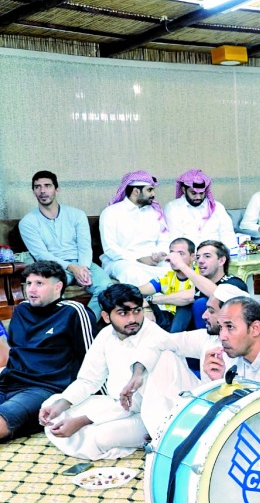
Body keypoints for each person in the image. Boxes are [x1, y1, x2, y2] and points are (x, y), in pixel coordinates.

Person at [122, 284, 260, 446]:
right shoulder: (231, 350)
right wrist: (219, 385)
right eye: (222, 327)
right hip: (246, 429)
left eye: (230, 327)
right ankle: (163, 438)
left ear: (254, 328)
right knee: (164, 357)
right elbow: (236, 411)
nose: (222, 336)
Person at [38, 284, 166, 460]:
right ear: (106, 316)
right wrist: (61, 404)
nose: (132, 319)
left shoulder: (155, 338)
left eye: (137, 311)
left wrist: (84, 420)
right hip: (114, 405)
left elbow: (138, 402)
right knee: (52, 405)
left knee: (101, 436)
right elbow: (89, 380)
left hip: (147, 414)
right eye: (123, 313)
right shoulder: (106, 335)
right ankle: (90, 438)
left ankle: (98, 439)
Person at [0, 261, 95, 442]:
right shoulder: (21, 310)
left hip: (44, 388)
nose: (31, 289)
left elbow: (93, 360)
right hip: (9, 382)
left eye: (39, 283)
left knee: (3, 420)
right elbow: (14, 351)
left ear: (58, 286)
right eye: (29, 283)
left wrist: (95, 407)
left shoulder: (73, 312)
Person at [19, 170, 113, 318]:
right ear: (33, 191)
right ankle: (64, 326)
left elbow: (84, 246)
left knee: (106, 287)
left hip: (82, 262)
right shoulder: (27, 222)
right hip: (52, 267)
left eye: (47, 186)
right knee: (51, 291)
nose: (42, 191)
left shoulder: (77, 215)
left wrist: (83, 268)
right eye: (37, 187)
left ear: (57, 189)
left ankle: (87, 323)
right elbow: (41, 255)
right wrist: (71, 267)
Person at [99, 170, 172, 285]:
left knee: (176, 267)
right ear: (136, 191)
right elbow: (110, 248)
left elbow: (164, 239)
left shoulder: (155, 212)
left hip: (154, 260)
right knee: (132, 273)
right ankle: (153, 296)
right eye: (149, 190)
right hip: (123, 261)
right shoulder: (111, 213)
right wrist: (139, 258)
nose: (153, 194)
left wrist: (160, 253)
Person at [157, 239, 248, 331]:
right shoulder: (200, 286)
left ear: (221, 261)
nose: (200, 261)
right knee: (183, 307)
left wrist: (181, 265)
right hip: (195, 334)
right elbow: (185, 297)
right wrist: (150, 300)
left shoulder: (234, 283)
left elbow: (218, 294)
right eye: (198, 257)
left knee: (200, 303)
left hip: (222, 335)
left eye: (207, 256)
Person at [162, 169, 238, 249]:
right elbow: (175, 239)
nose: (198, 197)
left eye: (201, 193)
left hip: (216, 253)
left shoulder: (217, 207)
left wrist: (231, 252)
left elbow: (227, 233)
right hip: (189, 254)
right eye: (193, 193)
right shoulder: (173, 208)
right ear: (184, 190)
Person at [139, 237, 197, 333]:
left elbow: (190, 297)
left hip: (194, 324)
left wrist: (150, 299)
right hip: (171, 321)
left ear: (192, 257)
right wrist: (146, 307)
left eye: (180, 254)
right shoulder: (167, 278)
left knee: (185, 306)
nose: (174, 258)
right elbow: (134, 291)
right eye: (172, 253)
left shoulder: (200, 275)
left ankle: (173, 339)